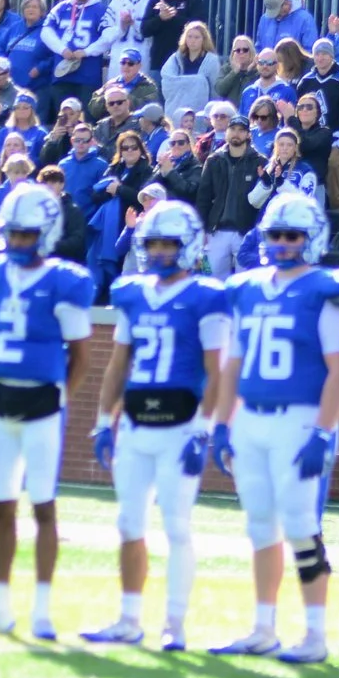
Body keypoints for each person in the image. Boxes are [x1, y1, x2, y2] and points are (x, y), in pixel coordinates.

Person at [202, 192, 339, 664]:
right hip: (251, 418)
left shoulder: (325, 291)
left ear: (311, 237)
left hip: (300, 419)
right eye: (275, 234)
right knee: (259, 527)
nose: (282, 243)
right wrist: (222, 424)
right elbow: (232, 363)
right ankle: (262, 627)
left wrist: (323, 430)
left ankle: (315, 634)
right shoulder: (247, 287)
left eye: (292, 234)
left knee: (300, 525)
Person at [0, 183, 95, 640]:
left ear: (46, 233)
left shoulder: (65, 280)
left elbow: (82, 356)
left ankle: (44, 610)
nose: (18, 242)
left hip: (43, 401)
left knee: (45, 506)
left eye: (27, 234)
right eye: (12, 233)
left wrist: (60, 399)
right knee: (0, 506)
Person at [79, 200, 225, 652]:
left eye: (168, 244)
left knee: (177, 526)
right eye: (153, 244)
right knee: (128, 523)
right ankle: (127, 618)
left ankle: (174, 624)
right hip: (137, 425)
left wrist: (205, 428)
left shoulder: (206, 296)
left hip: (181, 425)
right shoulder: (132, 293)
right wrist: (105, 421)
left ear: (188, 247)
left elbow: (216, 371)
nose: (160, 252)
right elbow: (117, 363)